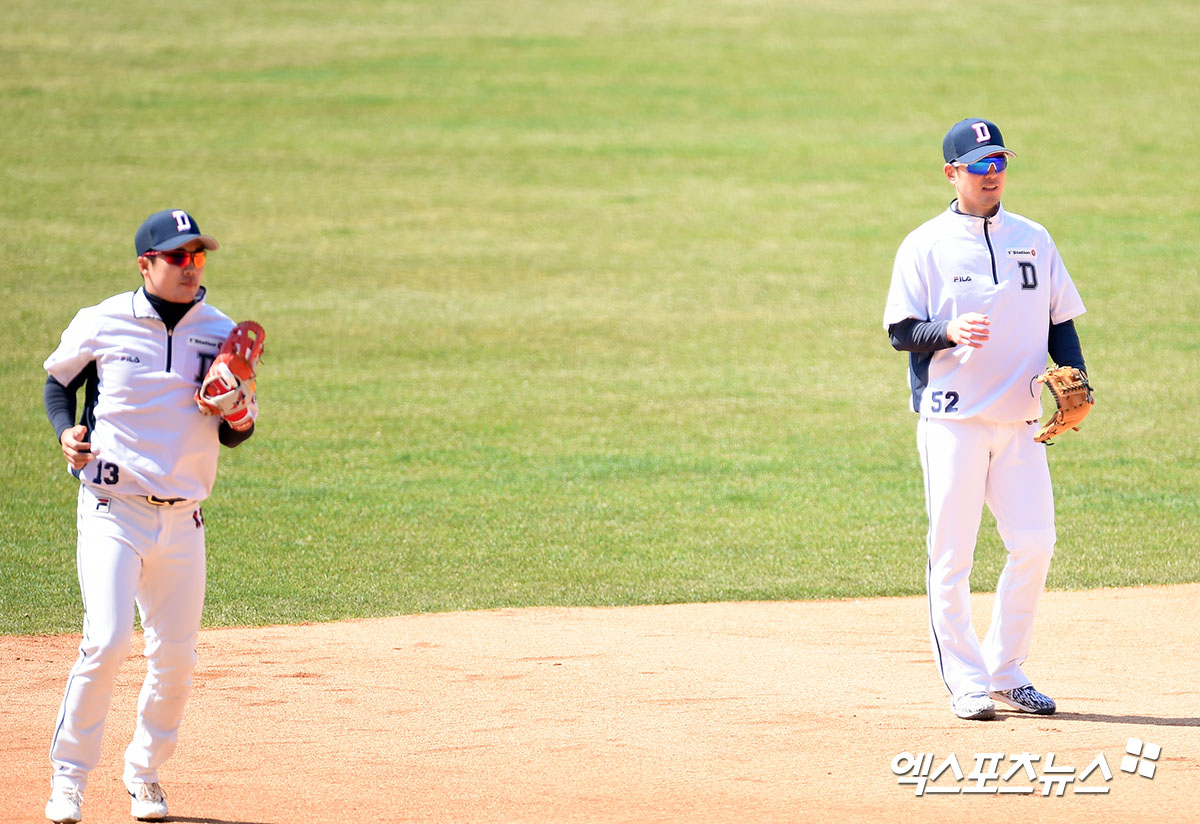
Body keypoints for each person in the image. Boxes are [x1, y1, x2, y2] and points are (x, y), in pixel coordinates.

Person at [42, 209, 258, 821]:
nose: (191, 268)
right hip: (113, 508)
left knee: (176, 657)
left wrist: (238, 411)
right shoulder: (102, 321)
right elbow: (58, 383)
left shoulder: (219, 330)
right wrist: (67, 432)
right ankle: (69, 781)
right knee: (106, 641)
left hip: (183, 520)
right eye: (177, 257)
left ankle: (144, 774)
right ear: (146, 264)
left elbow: (238, 431)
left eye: (199, 257)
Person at [882, 119, 1089, 721]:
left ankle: (1005, 669)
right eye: (978, 163)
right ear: (952, 172)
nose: (991, 171)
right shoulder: (925, 244)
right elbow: (900, 331)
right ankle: (966, 681)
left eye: (998, 160)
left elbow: (1060, 322)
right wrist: (946, 331)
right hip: (954, 421)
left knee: (1035, 543)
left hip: (1021, 422)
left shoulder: (1035, 237)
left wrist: (1079, 379)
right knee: (952, 556)